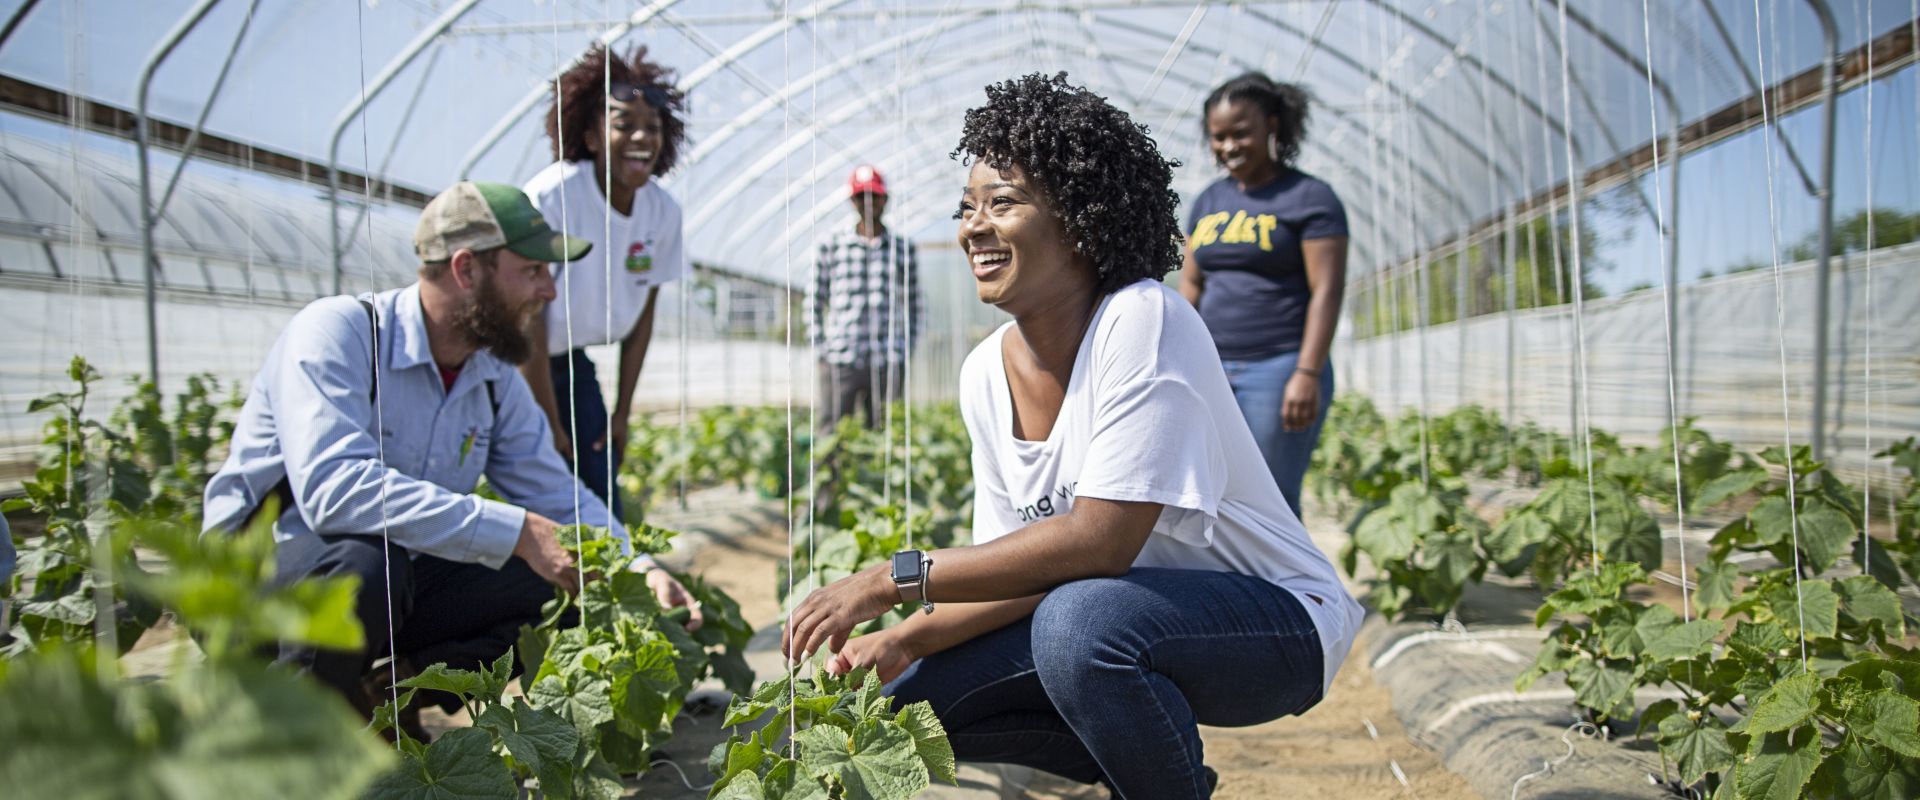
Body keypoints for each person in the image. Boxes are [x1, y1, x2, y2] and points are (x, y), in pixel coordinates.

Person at [782, 74, 1364, 800]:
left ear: (1080, 219)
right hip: (1121, 623)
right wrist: (903, 640)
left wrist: (886, 582)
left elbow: (1100, 543)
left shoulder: (1143, 320)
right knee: (906, 704)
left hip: (1272, 625)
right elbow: (1022, 574)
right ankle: (1152, 763)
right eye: (967, 207)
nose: (974, 226)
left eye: (1003, 203)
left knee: (1079, 624)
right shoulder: (982, 376)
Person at [202, 181, 699, 720]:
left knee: (560, 574)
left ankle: (388, 694)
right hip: (254, 587)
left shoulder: (491, 376)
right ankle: (285, 738)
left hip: (394, 588)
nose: (548, 292)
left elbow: (555, 493)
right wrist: (515, 531)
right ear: (467, 270)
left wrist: (638, 567)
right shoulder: (340, 333)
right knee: (366, 564)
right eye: (532, 271)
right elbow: (334, 493)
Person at [519, 45, 690, 521]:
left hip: (571, 366)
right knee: (539, 494)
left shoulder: (662, 211)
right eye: (623, 124)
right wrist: (546, 420)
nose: (641, 137)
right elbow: (526, 319)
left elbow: (642, 319)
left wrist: (623, 412)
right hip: (517, 366)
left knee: (599, 484)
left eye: (652, 127)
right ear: (592, 137)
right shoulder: (554, 197)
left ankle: (598, 589)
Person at [1177, 72, 1349, 520]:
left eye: (1240, 133)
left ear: (1272, 125)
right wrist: (1179, 352)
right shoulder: (1209, 201)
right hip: (1211, 367)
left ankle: (1290, 590)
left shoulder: (1309, 197)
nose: (1228, 146)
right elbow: (1192, 283)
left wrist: (1306, 372)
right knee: (1215, 492)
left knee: (1271, 499)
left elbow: (1326, 290)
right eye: (1218, 137)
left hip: (1277, 366)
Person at [807, 165, 923, 430]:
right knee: (832, 432)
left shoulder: (902, 249)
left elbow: (914, 303)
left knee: (883, 432)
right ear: (852, 201)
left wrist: (905, 349)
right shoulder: (832, 244)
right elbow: (814, 299)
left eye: (874, 195)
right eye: (861, 197)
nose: (869, 203)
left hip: (887, 359)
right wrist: (821, 350)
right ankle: (832, 474)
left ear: (886, 199)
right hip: (840, 358)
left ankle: (867, 473)